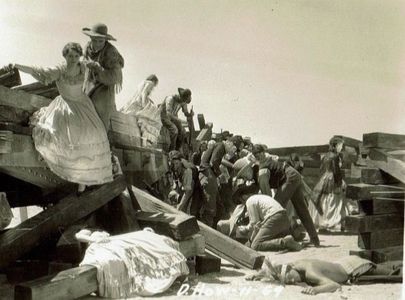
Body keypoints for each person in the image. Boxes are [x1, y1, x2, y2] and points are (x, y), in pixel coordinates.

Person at [9, 42, 113, 193]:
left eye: (76, 56)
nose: (73, 59)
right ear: (65, 56)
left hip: (83, 104)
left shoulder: (83, 66)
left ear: (79, 56)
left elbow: (97, 66)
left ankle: (84, 180)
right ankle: (69, 171)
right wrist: (18, 65)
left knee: (94, 133)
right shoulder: (59, 70)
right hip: (65, 106)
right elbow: (39, 71)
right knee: (63, 134)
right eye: (70, 55)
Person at [76, 228, 189, 298]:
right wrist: (93, 240)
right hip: (104, 243)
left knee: (144, 241)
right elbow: (79, 236)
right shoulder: (87, 233)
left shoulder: (102, 232)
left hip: (115, 240)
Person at [252, 144, 320, 247]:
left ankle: (283, 236)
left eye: (260, 154)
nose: (259, 156)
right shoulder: (267, 161)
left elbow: (267, 196)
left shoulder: (262, 170)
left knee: (276, 209)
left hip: (289, 178)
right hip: (293, 175)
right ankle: (314, 239)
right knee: (301, 209)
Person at [246, 256, 402, 295]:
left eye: (290, 278)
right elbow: (273, 268)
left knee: (394, 273)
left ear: (289, 270)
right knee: (391, 266)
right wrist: (259, 275)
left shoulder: (310, 272)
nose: (293, 281)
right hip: (345, 263)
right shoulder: (296, 264)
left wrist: (316, 290)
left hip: (356, 269)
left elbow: (335, 285)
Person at [233, 185, 303, 252]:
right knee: (268, 238)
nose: (243, 203)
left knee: (255, 245)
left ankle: (285, 242)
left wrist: (245, 229)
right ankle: (292, 233)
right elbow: (258, 224)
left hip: (274, 218)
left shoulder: (250, 201)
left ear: (244, 196)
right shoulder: (260, 197)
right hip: (284, 217)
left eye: (241, 200)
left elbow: (254, 223)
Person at [82, 23, 124, 130]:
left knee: (100, 118)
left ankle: (101, 142)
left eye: (101, 41)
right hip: (88, 85)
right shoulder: (87, 48)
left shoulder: (111, 52)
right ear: (90, 38)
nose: (97, 44)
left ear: (105, 40)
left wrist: (99, 70)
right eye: (94, 40)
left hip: (104, 89)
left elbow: (116, 76)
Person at [310, 137, 348, 232]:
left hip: (325, 178)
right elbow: (336, 171)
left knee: (324, 200)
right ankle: (333, 223)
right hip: (332, 179)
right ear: (335, 146)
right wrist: (340, 183)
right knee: (335, 200)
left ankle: (322, 222)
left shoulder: (326, 156)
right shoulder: (335, 156)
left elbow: (321, 170)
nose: (341, 148)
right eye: (340, 145)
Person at [120, 75, 162, 146]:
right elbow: (144, 93)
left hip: (135, 101)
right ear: (154, 81)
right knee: (154, 113)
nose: (154, 86)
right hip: (140, 102)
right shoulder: (150, 83)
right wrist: (144, 104)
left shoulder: (142, 82)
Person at [167, 150, 202, 218]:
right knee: (181, 206)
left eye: (176, 163)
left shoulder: (187, 171)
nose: (174, 165)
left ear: (181, 161)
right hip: (186, 185)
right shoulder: (174, 167)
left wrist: (180, 206)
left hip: (196, 186)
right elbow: (176, 181)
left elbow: (188, 192)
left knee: (193, 211)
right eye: (172, 163)